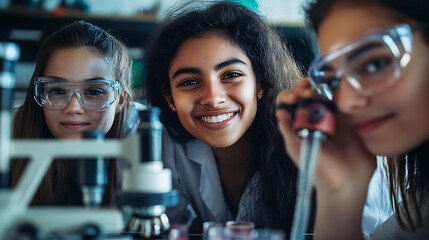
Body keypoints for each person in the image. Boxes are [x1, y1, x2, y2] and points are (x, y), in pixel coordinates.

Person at [145, 1, 305, 233]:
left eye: (231, 75)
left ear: (260, 82)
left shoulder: (310, 150)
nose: (212, 98)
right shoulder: (163, 151)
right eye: (190, 82)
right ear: (169, 98)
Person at [276, 0, 429, 239]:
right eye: (334, 80)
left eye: (375, 64)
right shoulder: (419, 206)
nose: (346, 103)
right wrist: (340, 191)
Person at [11, 21, 133, 206]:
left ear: (121, 100)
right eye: (58, 91)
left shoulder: (143, 135)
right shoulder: (8, 132)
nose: (74, 108)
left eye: (93, 92)